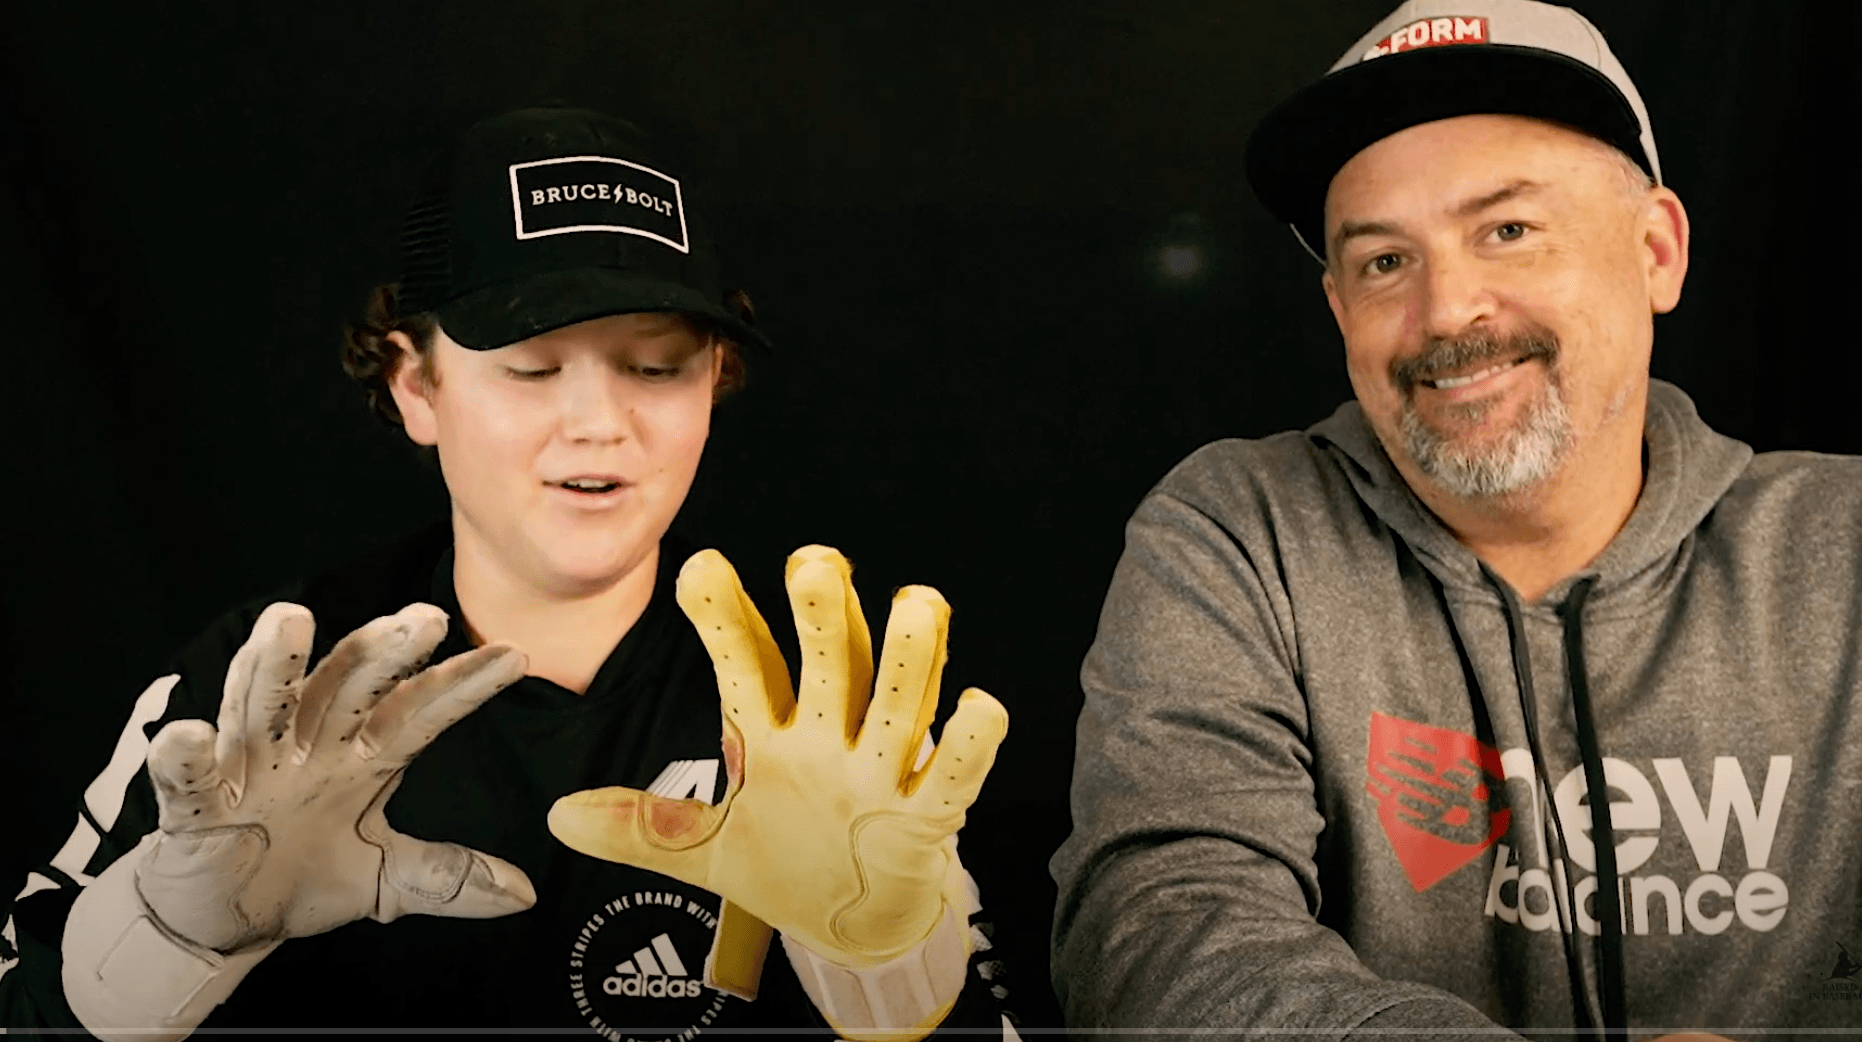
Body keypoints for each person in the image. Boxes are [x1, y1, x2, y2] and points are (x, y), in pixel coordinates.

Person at [0, 105, 1013, 1041]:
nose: (599, 422)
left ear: (715, 381)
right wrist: (163, 941)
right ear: (414, 384)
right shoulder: (258, 693)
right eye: (532, 365)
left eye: (656, 365)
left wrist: (886, 968)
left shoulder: (825, 720)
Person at [1050, 0, 1862, 1036]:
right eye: (1384, 261)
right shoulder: (1241, 536)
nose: (1443, 312)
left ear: (1656, 251)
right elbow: (1159, 931)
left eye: (1506, 231)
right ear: (1338, 308)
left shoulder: (1841, 549)